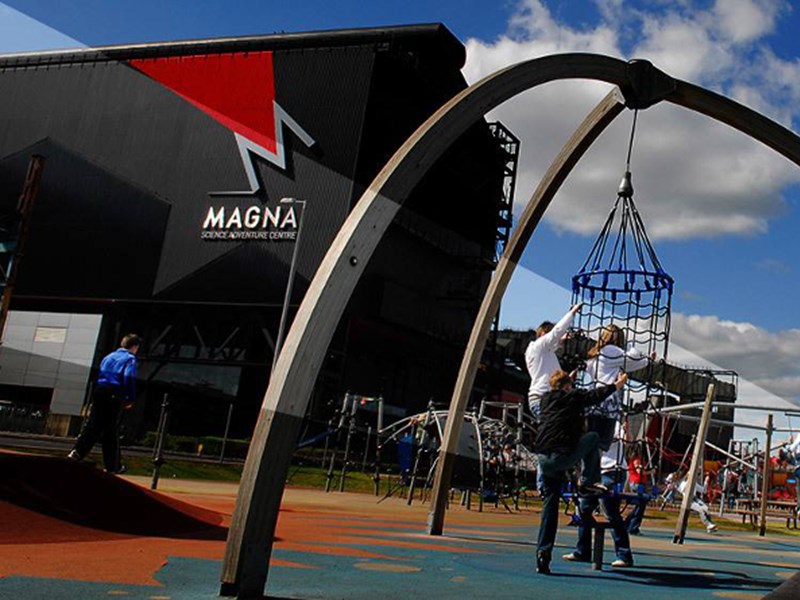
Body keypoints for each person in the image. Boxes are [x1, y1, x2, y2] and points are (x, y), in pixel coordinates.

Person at [535, 369, 628, 574]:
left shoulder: (545, 399)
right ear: (568, 387)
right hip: (561, 455)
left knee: (549, 505)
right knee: (593, 437)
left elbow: (561, 393)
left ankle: (543, 553)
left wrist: (566, 379)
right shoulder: (574, 397)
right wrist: (617, 385)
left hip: (543, 457)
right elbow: (594, 395)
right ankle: (588, 480)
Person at [67, 334, 141, 473]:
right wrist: (129, 397)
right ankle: (113, 465)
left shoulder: (109, 357)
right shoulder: (130, 359)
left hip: (100, 391)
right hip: (115, 392)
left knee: (93, 424)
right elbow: (128, 377)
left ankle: (77, 452)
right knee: (111, 429)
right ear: (134, 347)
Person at [563, 429, 634, 568]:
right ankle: (583, 550)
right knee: (582, 508)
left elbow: (628, 439)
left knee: (610, 511)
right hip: (593, 472)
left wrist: (626, 431)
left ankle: (624, 555)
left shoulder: (615, 423)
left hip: (612, 470)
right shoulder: (590, 424)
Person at [583, 324, 651, 450]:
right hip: (608, 404)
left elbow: (631, 365)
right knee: (600, 446)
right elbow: (634, 356)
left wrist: (647, 361)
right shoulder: (611, 350)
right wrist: (628, 344)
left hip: (595, 402)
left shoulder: (598, 354)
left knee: (592, 445)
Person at [525, 303, 582, 421]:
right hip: (542, 399)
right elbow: (556, 332)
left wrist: (568, 379)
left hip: (545, 398)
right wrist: (572, 313)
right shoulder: (539, 346)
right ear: (542, 334)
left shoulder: (546, 354)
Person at [676, 469, 718, 533]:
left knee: (706, 508)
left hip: (695, 499)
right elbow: (681, 490)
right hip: (688, 500)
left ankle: (710, 526)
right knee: (701, 509)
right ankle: (708, 524)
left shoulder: (694, 483)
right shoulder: (684, 483)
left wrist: (706, 481)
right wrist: (688, 482)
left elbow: (704, 491)